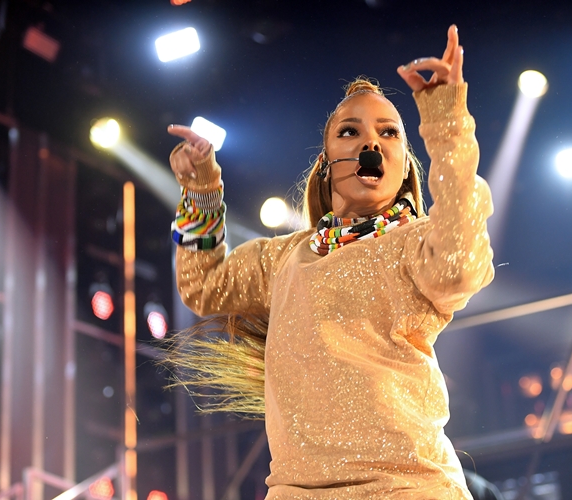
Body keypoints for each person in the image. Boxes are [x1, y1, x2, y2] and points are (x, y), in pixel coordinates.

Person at [165, 25, 494, 499]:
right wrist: (200, 190)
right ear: (326, 161)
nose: (371, 144)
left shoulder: (417, 244)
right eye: (350, 131)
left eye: (389, 133)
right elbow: (205, 285)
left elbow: (459, 263)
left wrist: (445, 124)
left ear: (405, 163)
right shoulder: (285, 258)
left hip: (409, 487)